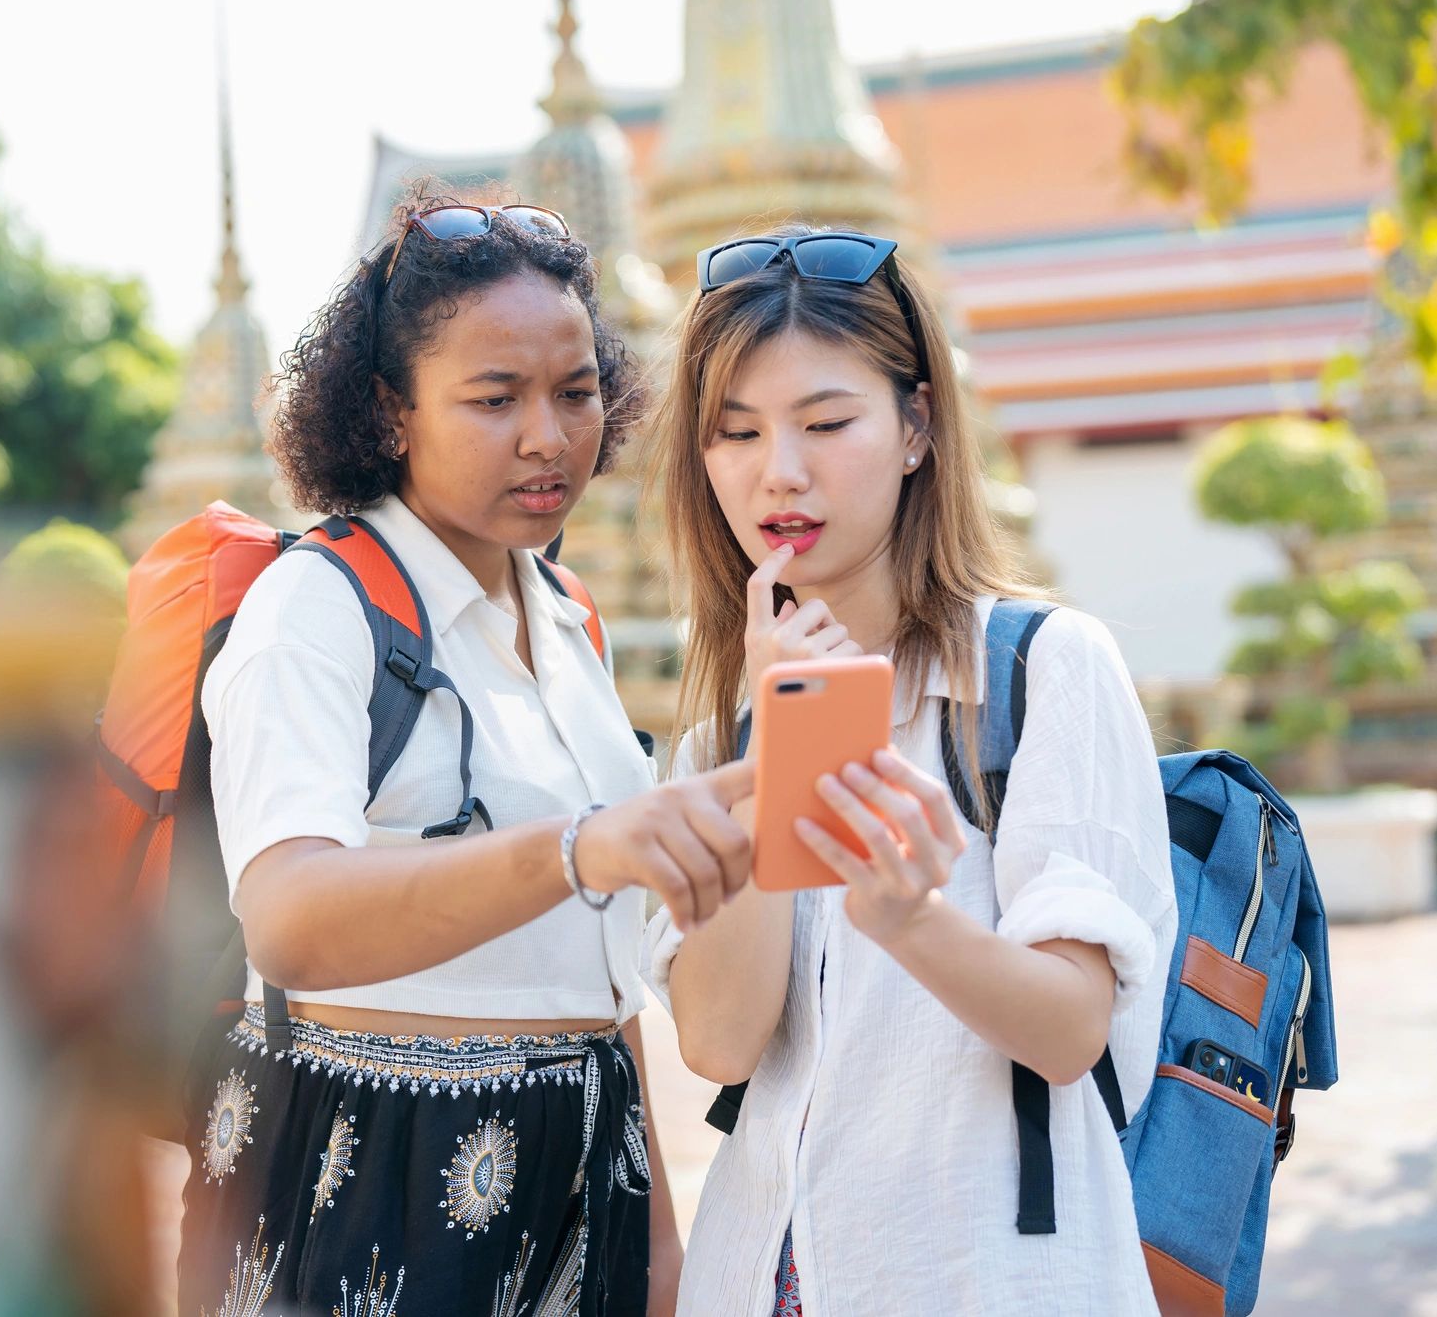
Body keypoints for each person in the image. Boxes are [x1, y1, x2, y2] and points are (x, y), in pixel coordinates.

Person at [179, 197, 754, 1316]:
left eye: (577, 393)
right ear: (392, 413)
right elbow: (289, 915)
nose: (548, 436)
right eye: (496, 400)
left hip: (588, 1174)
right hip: (370, 1174)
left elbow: (599, 976)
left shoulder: (569, 615)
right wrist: (583, 847)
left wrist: (659, 1244)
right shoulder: (321, 605)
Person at [643, 226, 1177, 1314]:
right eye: (734, 432)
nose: (777, 472)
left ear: (916, 427)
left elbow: (1074, 1028)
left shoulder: (1039, 674)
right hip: (767, 1276)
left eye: (827, 421)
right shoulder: (715, 734)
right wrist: (770, 749)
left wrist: (910, 918)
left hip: (985, 1274)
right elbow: (719, 1038)